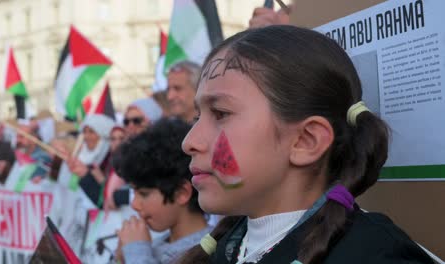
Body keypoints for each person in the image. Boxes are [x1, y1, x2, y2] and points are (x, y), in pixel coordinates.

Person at [179, 26, 434, 263]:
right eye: (197, 117)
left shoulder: (374, 255)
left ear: (306, 141)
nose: (189, 142)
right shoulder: (226, 249)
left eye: (221, 113)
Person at [114, 118, 213, 264]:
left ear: (181, 193)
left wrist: (136, 252)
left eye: (143, 194)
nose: (134, 204)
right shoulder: (156, 244)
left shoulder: (208, 251)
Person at [67, 114, 115, 208]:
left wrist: (101, 181)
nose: (86, 136)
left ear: (102, 134)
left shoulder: (111, 160)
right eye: (84, 131)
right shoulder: (79, 156)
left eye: (92, 132)